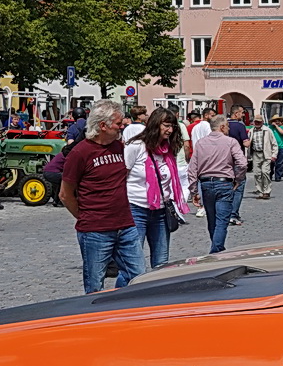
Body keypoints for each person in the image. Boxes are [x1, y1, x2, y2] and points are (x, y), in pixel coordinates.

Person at [61, 99, 144, 291]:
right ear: (103, 126)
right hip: (96, 231)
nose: (122, 126)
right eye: (118, 123)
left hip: (126, 226)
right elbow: (65, 194)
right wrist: (85, 217)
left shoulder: (118, 147)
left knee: (140, 278)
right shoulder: (80, 153)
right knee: (95, 285)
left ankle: (126, 307)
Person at [124, 109, 189, 269]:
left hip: (161, 211)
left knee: (161, 263)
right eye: (166, 125)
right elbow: (122, 177)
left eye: (172, 126)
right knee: (134, 264)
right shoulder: (136, 146)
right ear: (155, 124)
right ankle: (127, 286)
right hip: (136, 208)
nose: (170, 130)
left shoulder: (168, 149)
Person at [188, 115, 246, 253]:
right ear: (222, 127)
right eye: (227, 126)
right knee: (222, 220)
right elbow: (242, 163)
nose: (228, 129)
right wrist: (238, 179)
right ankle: (216, 250)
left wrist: (194, 190)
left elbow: (192, 168)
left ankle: (217, 248)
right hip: (224, 183)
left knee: (212, 219)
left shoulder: (201, 143)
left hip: (206, 184)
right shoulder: (230, 142)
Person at [226, 107, 251, 227]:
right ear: (236, 114)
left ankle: (225, 212)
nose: (243, 115)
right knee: (239, 186)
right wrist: (250, 140)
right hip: (237, 159)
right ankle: (233, 214)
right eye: (241, 113)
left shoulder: (224, 125)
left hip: (224, 160)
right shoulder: (240, 126)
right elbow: (246, 143)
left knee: (226, 186)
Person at [251, 111, 281, 200]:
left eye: (259, 122)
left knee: (265, 172)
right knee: (257, 173)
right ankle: (260, 191)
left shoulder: (267, 130)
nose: (257, 123)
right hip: (255, 153)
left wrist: (274, 155)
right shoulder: (252, 131)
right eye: (256, 121)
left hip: (266, 154)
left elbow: (274, 143)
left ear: (262, 122)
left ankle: (266, 191)